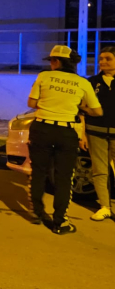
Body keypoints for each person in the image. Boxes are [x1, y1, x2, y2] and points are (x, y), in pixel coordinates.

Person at [27, 45, 102, 234]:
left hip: (42, 128)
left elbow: (31, 103)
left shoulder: (43, 77)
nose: (50, 64)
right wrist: (80, 107)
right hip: (66, 132)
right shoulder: (82, 82)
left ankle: (37, 212)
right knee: (64, 178)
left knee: (38, 172)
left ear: (57, 61)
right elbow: (97, 111)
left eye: (52, 60)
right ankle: (60, 222)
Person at [82, 46, 115, 222]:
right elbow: (82, 109)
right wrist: (83, 134)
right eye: (101, 58)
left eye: (108, 58)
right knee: (100, 170)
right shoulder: (92, 82)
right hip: (95, 132)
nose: (102, 62)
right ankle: (105, 207)